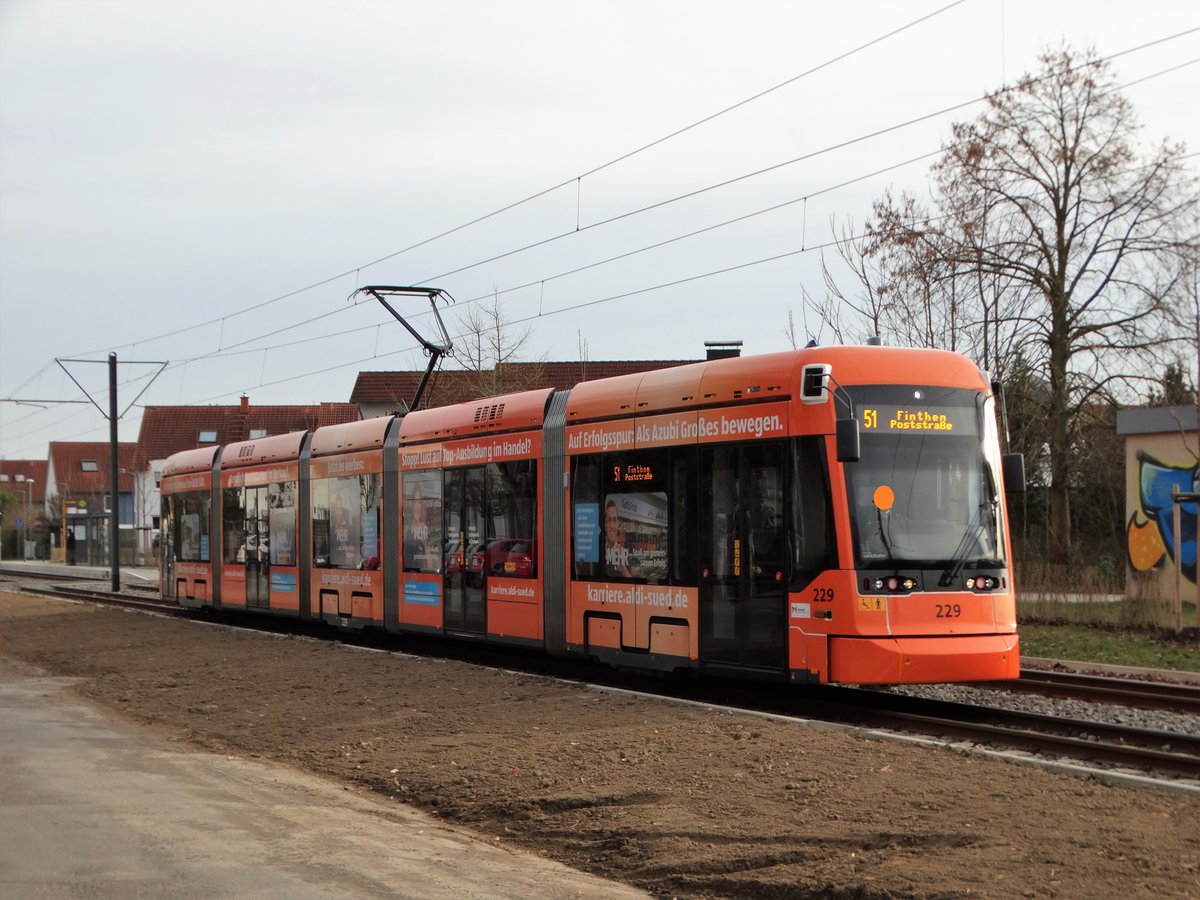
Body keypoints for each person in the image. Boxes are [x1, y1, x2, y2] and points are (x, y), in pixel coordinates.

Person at [603, 500, 632, 578]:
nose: (612, 526)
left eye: (615, 520)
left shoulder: (623, 553)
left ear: (618, 524)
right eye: (608, 520)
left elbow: (632, 585)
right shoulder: (598, 550)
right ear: (605, 525)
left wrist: (623, 569)